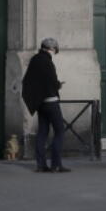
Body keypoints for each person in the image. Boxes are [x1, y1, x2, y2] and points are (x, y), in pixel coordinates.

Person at [22, 37, 68, 173]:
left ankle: (41, 164)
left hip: (40, 103)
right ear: (52, 49)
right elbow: (52, 82)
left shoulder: (34, 60)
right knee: (60, 130)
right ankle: (56, 164)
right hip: (51, 101)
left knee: (42, 131)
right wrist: (58, 85)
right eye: (55, 50)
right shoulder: (47, 62)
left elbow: (29, 81)